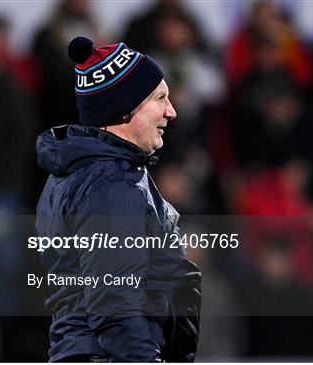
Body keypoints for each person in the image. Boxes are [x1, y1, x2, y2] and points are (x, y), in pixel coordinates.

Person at [35, 37, 201, 362]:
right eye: (160, 98)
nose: (171, 111)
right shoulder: (111, 184)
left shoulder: (78, 173)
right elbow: (116, 306)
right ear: (124, 110)